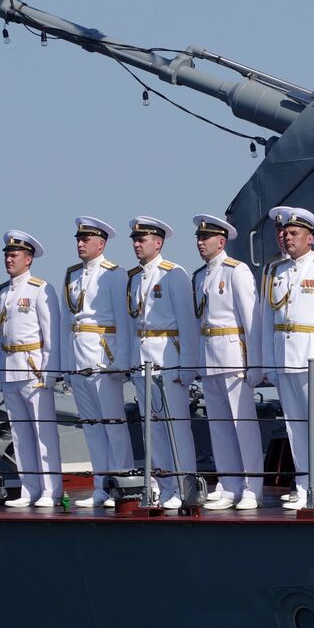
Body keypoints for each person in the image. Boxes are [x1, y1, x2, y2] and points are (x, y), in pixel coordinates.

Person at [257, 207, 314, 508]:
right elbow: (267, 322)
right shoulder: (276, 272)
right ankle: (306, 486)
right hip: (285, 358)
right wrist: (270, 364)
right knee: (295, 427)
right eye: (285, 233)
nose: (287, 237)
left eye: (294, 233)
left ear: (310, 238)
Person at [126, 216, 199, 510]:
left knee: (176, 427)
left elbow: (187, 324)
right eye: (135, 240)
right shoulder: (134, 277)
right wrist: (131, 363)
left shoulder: (174, 274)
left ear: (158, 243)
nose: (137, 244)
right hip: (143, 360)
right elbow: (133, 324)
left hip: (168, 359)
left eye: (142, 240)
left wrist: (187, 365)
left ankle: (186, 488)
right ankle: (165, 487)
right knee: (152, 430)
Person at [192, 214, 262, 510]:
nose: (200, 242)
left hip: (234, 358)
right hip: (210, 357)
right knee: (219, 426)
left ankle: (252, 486)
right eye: (198, 238)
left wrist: (255, 364)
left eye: (205, 238)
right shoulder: (200, 276)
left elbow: (251, 321)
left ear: (221, 241)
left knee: (243, 425)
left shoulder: (237, 271)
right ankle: (229, 484)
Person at [61, 217, 133, 508]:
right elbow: (67, 324)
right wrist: (66, 365)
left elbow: (124, 321)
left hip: (104, 360)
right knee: (91, 427)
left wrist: (122, 361)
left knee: (114, 426)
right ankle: (101, 487)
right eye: (78, 239)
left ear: (100, 244)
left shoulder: (115, 275)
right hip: (78, 359)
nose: (80, 243)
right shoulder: (72, 275)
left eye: (86, 239)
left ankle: (122, 485)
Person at [0, 230, 63, 507]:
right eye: (7, 255)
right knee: (20, 433)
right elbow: (0, 336)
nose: (9, 260)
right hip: (10, 368)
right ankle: (29, 489)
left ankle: (51, 490)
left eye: (14, 255)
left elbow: (52, 335)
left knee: (42, 431)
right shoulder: (2, 292)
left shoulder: (40, 289)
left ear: (28, 259)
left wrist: (50, 372)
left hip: (33, 369)